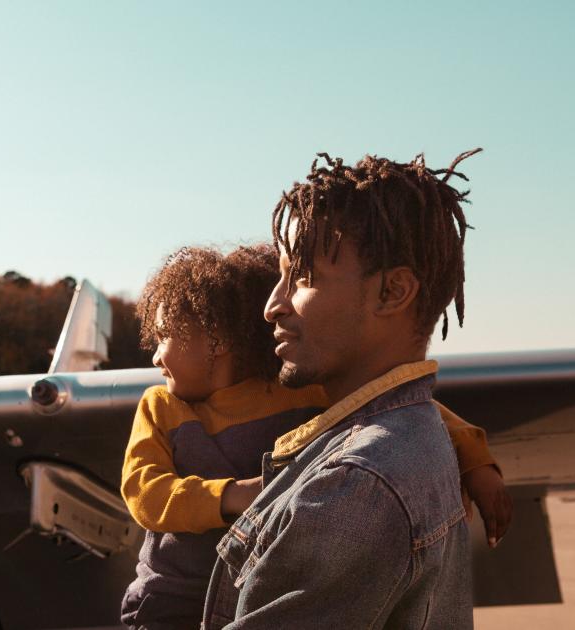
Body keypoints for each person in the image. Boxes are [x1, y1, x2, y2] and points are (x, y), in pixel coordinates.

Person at [121, 244, 509, 630]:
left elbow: (396, 403)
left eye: (163, 337)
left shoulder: (298, 392)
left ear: (216, 340)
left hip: (251, 600)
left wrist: (477, 461)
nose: (155, 356)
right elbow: (145, 493)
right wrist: (234, 496)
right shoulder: (159, 407)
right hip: (168, 602)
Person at [203, 151, 489, 629]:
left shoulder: (356, 485)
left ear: (393, 292)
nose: (273, 305)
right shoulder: (407, 443)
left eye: (303, 277)